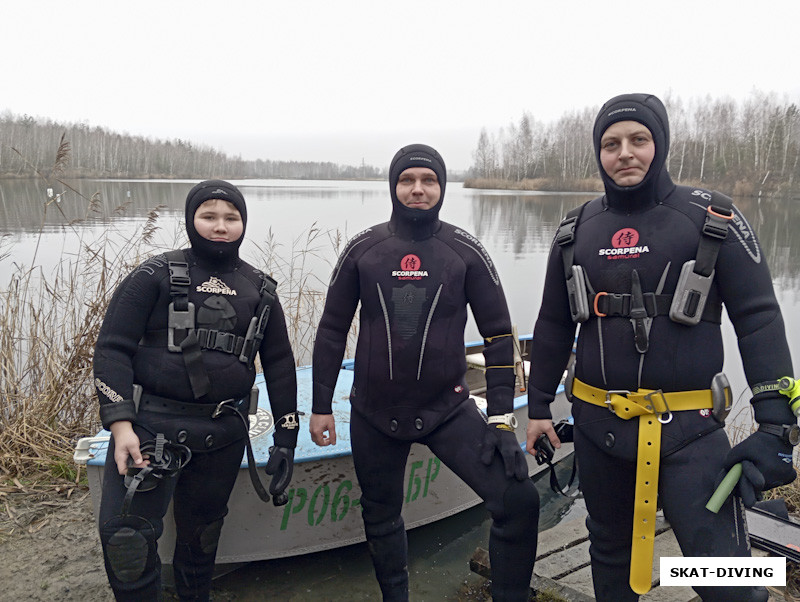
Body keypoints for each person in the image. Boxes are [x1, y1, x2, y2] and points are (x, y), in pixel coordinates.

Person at [525, 93, 797, 602]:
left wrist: (777, 425)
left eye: (638, 140)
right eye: (611, 144)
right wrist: (538, 406)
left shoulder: (713, 216)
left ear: (661, 144)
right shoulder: (574, 230)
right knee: (608, 553)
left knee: (725, 575)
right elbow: (552, 322)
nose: (624, 153)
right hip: (599, 427)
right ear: (598, 153)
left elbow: (759, 319)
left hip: (690, 434)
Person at [310, 144, 540, 601]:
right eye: (407, 180)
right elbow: (332, 330)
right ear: (393, 187)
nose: (418, 189)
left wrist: (499, 418)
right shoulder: (364, 249)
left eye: (428, 180)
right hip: (373, 411)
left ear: (442, 187)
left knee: (518, 502)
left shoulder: (464, 251)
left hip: (448, 408)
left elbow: (497, 336)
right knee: (380, 516)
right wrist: (320, 407)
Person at [94, 180, 299, 601]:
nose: (220, 227)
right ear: (190, 220)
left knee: (201, 542)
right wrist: (120, 426)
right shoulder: (152, 275)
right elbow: (111, 349)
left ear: (243, 223)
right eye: (208, 216)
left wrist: (286, 438)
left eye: (231, 218)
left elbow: (279, 364)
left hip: (221, 434)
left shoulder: (261, 289)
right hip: (150, 431)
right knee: (125, 541)